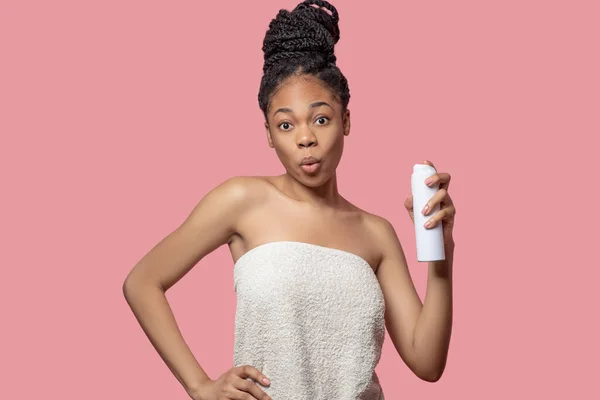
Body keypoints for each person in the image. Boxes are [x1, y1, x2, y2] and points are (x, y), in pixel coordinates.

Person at [122, 1, 456, 399]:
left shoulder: (375, 233)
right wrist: (200, 386)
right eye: (285, 124)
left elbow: (427, 361)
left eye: (321, 118)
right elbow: (142, 282)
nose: (305, 139)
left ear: (345, 120)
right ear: (268, 133)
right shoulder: (242, 200)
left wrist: (442, 257)